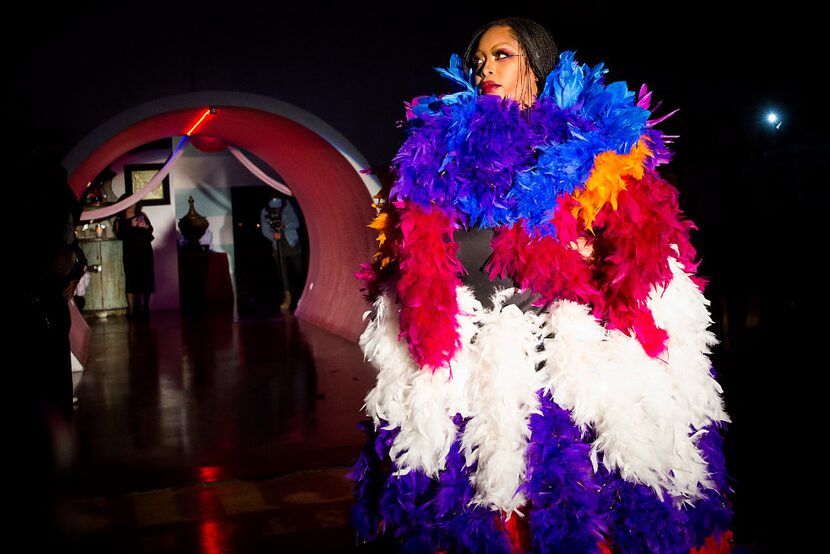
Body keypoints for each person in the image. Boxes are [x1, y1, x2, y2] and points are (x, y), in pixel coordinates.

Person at [351, 17, 734, 553]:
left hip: (570, 374)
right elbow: (413, 255)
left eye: (501, 54)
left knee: (571, 519)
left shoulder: (593, 143)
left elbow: (642, 252)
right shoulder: (439, 155)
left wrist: (591, 253)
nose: (486, 67)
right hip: (472, 378)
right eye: (479, 59)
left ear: (538, 61)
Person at [260, 192, 303, 313]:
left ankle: (302, 294)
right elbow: (264, 229)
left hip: (292, 242)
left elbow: (296, 223)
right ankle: (287, 296)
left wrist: (284, 226)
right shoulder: (265, 211)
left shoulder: (287, 206)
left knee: (299, 269)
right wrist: (273, 235)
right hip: (277, 244)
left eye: (277, 206)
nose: (276, 208)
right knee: (283, 272)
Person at [113, 198, 155, 319]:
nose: (131, 205)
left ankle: (146, 307)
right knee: (131, 279)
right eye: (129, 203)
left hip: (145, 251)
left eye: (134, 202)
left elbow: (151, 229)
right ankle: (131, 309)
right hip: (130, 253)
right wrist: (131, 226)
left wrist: (145, 226)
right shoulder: (119, 220)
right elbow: (120, 235)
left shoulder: (142, 215)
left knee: (147, 278)